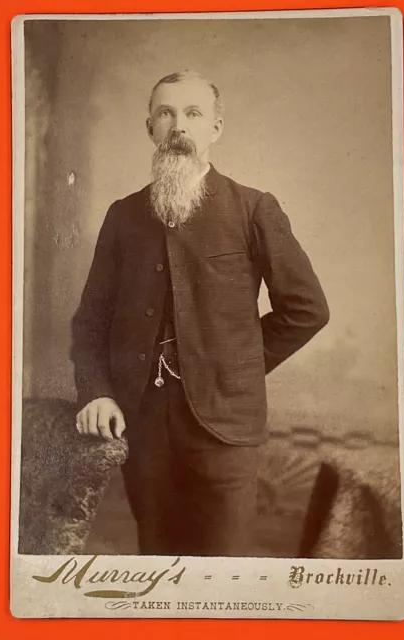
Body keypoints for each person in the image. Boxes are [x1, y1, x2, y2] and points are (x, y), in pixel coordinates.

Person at [71, 70, 330, 557]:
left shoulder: (253, 208)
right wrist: (97, 392)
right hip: (142, 422)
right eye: (166, 113)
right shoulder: (123, 215)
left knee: (221, 569)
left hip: (225, 427)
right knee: (158, 560)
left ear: (215, 128)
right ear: (150, 126)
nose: (178, 126)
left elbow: (307, 309)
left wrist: (234, 366)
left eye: (193, 114)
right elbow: (90, 323)